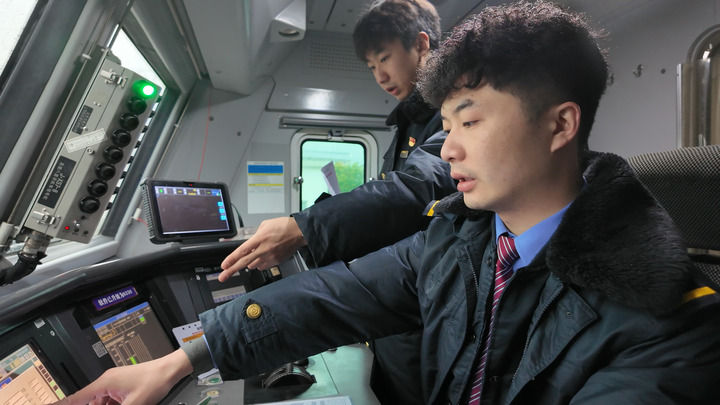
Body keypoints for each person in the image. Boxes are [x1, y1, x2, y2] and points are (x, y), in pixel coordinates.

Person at [58, 2, 720, 404]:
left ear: (559, 125)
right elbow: (332, 296)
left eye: (471, 120)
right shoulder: (462, 241)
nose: (449, 149)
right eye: (446, 126)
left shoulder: (674, 330)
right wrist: (178, 361)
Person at [220, 1, 453, 403]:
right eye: (371, 66)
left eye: (385, 58)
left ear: (421, 44)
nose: (380, 76)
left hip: (427, 296)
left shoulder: (450, 114)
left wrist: (303, 227)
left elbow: (414, 189)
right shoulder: (409, 120)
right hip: (399, 293)